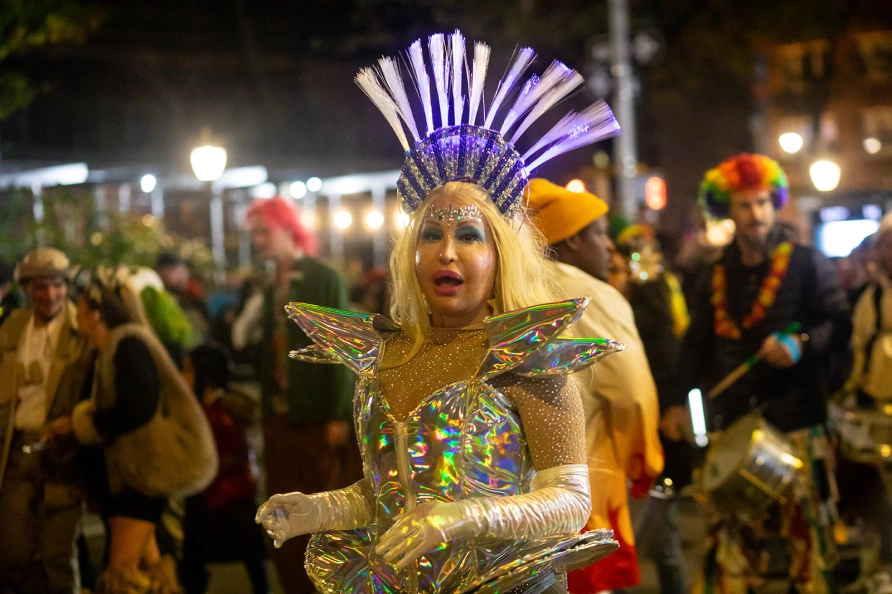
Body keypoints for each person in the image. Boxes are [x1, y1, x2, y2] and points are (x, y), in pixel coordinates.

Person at [255, 30, 624, 593]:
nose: (447, 252)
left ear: (501, 254)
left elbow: (571, 502)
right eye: (431, 234)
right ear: (412, 253)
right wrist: (319, 510)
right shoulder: (388, 354)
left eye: (469, 235)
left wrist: (465, 517)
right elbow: (387, 495)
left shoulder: (527, 357)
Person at [669, 154, 852, 594]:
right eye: (745, 205)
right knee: (732, 548)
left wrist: (801, 343)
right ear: (727, 211)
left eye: (763, 203)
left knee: (808, 541)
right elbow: (695, 346)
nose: (756, 214)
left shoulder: (808, 263)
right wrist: (677, 400)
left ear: (775, 204)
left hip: (797, 421)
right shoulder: (714, 273)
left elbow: (837, 322)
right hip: (735, 422)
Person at [526, 179, 667, 594]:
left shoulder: (511, 284)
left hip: (517, 494)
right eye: (600, 235)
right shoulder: (591, 294)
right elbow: (632, 394)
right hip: (582, 484)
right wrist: (646, 459)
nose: (609, 248)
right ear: (570, 241)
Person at [237, 195, 360, 592]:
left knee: (320, 515)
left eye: (263, 230)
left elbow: (340, 348)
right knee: (281, 516)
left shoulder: (323, 276)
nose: (257, 240)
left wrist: (339, 414)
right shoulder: (269, 282)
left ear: (288, 228)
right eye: (253, 232)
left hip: (316, 418)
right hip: (278, 418)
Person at [68, 267, 217, 594]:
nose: (73, 313)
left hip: (140, 478)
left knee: (121, 572)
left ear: (96, 315)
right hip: (133, 478)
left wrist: (85, 424)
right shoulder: (109, 350)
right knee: (151, 566)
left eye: (78, 307)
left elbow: (138, 405)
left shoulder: (127, 345)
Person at [0, 248, 88, 594]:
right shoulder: (13, 327)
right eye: (39, 286)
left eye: (56, 285)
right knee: (13, 550)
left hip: (62, 457)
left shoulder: (80, 326)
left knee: (58, 555)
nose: (49, 295)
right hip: (15, 450)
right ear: (27, 288)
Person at [179, 344, 268, 594]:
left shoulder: (217, 415)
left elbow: (214, 460)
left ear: (204, 378)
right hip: (229, 498)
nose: (181, 376)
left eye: (187, 370)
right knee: (251, 560)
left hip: (220, 498)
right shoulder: (219, 410)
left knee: (194, 558)